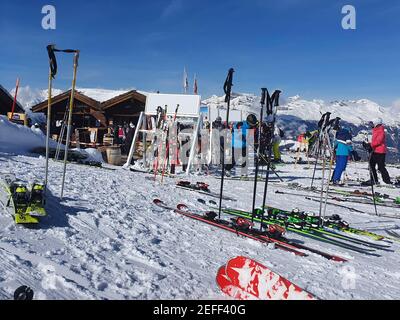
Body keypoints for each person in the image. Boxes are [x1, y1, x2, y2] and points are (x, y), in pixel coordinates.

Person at [363, 118, 392, 185]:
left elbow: (379, 141)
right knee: (371, 165)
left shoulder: (381, 131)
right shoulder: (375, 130)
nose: (371, 125)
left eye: (372, 124)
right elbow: (374, 141)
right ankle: (374, 179)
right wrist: (368, 144)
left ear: (376, 123)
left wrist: (370, 145)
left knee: (381, 167)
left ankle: (387, 181)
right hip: (374, 151)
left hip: (380, 152)